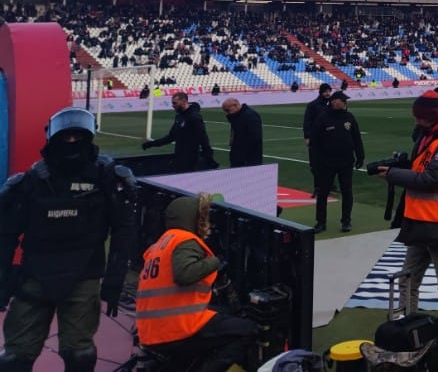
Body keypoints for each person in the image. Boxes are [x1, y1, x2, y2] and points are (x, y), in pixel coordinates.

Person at [0, 108, 137, 372]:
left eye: (78, 137)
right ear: (52, 138)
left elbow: (123, 230)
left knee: (80, 354)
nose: (72, 143)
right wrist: (3, 280)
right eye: (66, 137)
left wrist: (114, 280)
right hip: (35, 276)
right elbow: (6, 235)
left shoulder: (106, 178)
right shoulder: (32, 181)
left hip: (83, 276)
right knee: (15, 358)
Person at [380, 90, 438, 340]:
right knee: (407, 279)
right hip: (420, 220)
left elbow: (431, 179)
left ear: (433, 117)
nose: (416, 121)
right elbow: (422, 170)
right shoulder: (430, 136)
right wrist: (399, 167)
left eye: (420, 117)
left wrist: (393, 175)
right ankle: (408, 329)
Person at [134, 194, 258, 372]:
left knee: (222, 315)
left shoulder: (159, 246)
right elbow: (184, 274)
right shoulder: (185, 240)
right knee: (247, 330)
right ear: (192, 219)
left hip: (151, 330)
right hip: (175, 328)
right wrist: (214, 262)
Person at [309, 91, 364, 233]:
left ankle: (346, 221)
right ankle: (321, 222)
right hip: (327, 162)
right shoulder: (323, 118)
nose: (345, 102)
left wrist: (360, 155)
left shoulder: (349, 117)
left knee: (347, 192)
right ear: (334, 102)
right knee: (323, 193)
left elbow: (356, 137)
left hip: (346, 161)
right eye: (342, 100)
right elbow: (314, 142)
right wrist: (316, 162)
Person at [141, 92, 217, 172]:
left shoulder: (194, 117)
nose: (173, 105)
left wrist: (209, 158)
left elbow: (203, 138)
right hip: (179, 156)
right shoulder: (179, 116)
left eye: (175, 103)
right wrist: (151, 144)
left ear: (183, 102)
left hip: (191, 158)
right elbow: (171, 137)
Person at [302, 83, 333, 195]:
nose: (328, 93)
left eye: (329, 91)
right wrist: (307, 137)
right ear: (321, 92)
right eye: (326, 91)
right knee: (316, 164)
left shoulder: (331, 104)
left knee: (330, 163)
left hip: (329, 138)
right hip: (316, 139)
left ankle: (330, 185)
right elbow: (307, 122)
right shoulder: (313, 105)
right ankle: (318, 187)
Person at [221, 98, 264, 168]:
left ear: (235, 105)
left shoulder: (250, 116)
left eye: (227, 110)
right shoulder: (237, 116)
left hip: (248, 158)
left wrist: (245, 156)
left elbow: (255, 137)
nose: (227, 112)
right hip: (238, 155)